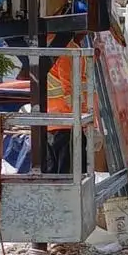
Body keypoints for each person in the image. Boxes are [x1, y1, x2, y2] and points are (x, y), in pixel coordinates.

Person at [43, 42, 90, 174]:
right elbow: (69, 89)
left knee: (55, 177)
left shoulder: (50, 47)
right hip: (68, 124)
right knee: (71, 178)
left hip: (53, 124)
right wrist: (84, 119)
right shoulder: (68, 49)